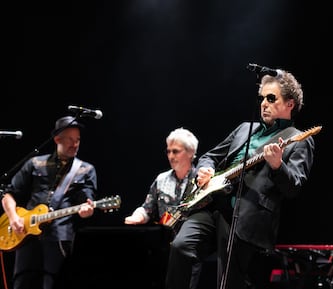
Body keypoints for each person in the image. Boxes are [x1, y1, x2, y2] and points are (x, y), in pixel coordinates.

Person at [165, 68, 316, 289]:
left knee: (227, 282)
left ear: (290, 104)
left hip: (245, 217)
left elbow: (293, 187)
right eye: (262, 98)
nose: (264, 103)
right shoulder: (246, 129)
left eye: (271, 98)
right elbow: (209, 157)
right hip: (212, 206)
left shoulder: (298, 140)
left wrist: (277, 165)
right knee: (180, 247)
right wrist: (204, 171)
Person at [1, 115, 98, 289]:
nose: (75, 144)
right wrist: (13, 217)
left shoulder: (85, 169)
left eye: (78, 140)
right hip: (26, 234)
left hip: (59, 238)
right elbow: (9, 194)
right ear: (57, 139)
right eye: (70, 139)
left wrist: (87, 210)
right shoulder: (35, 163)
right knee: (21, 282)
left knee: (52, 284)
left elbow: (87, 199)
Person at [124, 127, 203, 288]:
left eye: (176, 151)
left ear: (190, 152)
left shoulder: (201, 181)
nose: (171, 156)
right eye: (168, 152)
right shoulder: (161, 179)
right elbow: (147, 208)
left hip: (187, 251)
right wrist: (138, 215)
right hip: (162, 250)